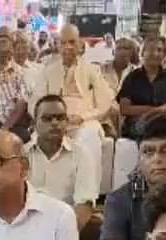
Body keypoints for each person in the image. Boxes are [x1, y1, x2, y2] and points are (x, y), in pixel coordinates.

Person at [30, 25, 113, 192]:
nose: (67, 47)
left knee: (87, 139)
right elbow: (35, 102)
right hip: (53, 119)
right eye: (63, 42)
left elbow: (105, 103)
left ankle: (88, 195)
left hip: (84, 121)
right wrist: (45, 118)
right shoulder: (48, 71)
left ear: (80, 44)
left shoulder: (92, 70)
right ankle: (42, 193)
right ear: (57, 45)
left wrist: (83, 117)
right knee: (35, 141)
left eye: (72, 42)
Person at [25, 95, 100, 240]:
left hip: (68, 228)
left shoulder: (81, 154)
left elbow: (84, 205)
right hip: (27, 228)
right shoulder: (21, 155)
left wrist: (61, 239)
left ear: (67, 122)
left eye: (60, 118)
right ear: (34, 124)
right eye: (47, 118)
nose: (54, 123)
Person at [117, 36, 166, 140]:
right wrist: (150, 111)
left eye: (160, 50)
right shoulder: (132, 77)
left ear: (164, 55)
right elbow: (124, 108)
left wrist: (156, 112)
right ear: (142, 53)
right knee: (145, 128)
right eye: (151, 49)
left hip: (164, 120)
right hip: (138, 121)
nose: (156, 54)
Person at [102, 37, 139, 136]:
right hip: (106, 112)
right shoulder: (101, 70)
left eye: (126, 48)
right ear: (113, 52)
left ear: (131, 53)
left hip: (127, 113)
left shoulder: (137, 73)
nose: (123, 51)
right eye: (119, 48)